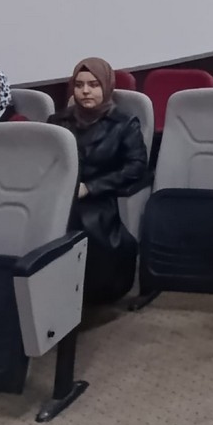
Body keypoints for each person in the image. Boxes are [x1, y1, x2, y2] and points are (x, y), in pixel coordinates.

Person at [48, 58, 148, 304]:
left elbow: (136, 167)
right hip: (58, 195)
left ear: (106, 86)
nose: (85, 91)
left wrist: (91, 188)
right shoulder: (57, 122)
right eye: (79, 85)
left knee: (84, 223)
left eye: (93, 84)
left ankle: (83, 297)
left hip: (99, 196)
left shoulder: (124, 123)